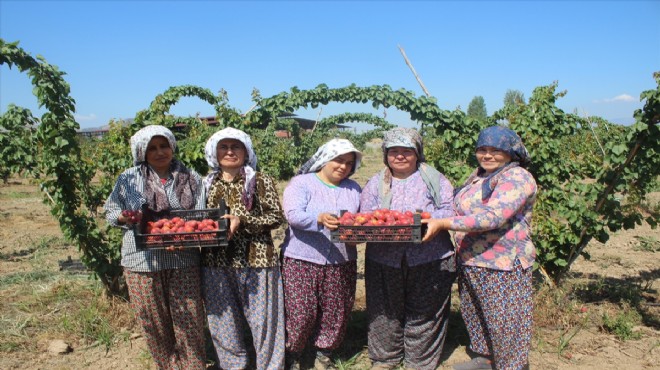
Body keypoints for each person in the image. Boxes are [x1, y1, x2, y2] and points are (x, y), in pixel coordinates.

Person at [422, 125, 537, 370]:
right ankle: (486, 359)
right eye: (482, 149)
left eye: (495, 150)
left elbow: (493, 216)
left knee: (505, 322)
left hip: (503, 263)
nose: (487, 155)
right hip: (472, 259)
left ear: (510, 152)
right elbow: (458, 207)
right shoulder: (478, 176)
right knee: (478, 313)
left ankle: (512, 366)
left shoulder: (517, 177)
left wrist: (443, 223)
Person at [104, 125, 207, 370]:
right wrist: (124, 218)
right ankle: (168, 366)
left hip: (183, 258)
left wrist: (187, 232)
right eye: (152, 148)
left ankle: (193, 366)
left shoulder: (191, 177)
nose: (160, 152)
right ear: (141, 151)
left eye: (164, 145)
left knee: (190, 320)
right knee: (154, 323)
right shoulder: (129, 178)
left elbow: (201, 214)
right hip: (142, 260)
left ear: (172, 146)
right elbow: (112, 210)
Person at [359, 127, 456, 370]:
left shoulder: (435, 179)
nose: (399, 156)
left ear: (417, 153)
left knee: (426, 310)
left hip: (429, 255)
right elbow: (364, 215)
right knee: (384, 310)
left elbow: (450, 210)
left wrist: (429, 220)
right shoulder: (375, 182)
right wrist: (379, 221)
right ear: (386, 155)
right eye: (393, 151)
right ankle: (385, 359)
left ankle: (420, 361)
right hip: (384, 257)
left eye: (406, 151)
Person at [201, 127, 286, 370]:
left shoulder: (259, 180)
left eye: (235, 146)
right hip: (216, 262)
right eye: (223, 147)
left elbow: (275, 217)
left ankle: (270, 367)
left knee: (265, 323)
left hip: (258, 261)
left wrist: (243, 220)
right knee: (223, 322)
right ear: (214, 152)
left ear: (246, 150)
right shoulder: (206, 184)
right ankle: (233, 366)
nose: (230, 151)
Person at [280, 139, 363, 370]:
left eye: (349, 163)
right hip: (301, 258)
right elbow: (293, 214)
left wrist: (360, 232)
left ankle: (323, 354)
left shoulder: (354, 189)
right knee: (300, 311)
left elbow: (362, 220)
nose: (343, 166)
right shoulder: (302, 183)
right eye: (338, 160)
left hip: (341, 259)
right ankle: (293, 353)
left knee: (335, 311)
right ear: (325, 158)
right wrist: (319, 218)